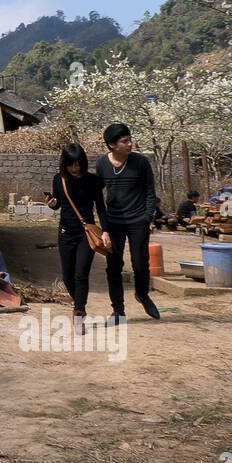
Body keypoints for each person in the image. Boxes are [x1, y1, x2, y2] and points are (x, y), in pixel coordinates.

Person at [94, 122, 161, 323]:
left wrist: (147, 217)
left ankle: (142, 294)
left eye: (130, 139)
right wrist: (103, 226)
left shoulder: (140, 162)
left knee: (140, 264)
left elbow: (150, 192)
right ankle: (118, 311)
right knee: (114, 266)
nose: (130, 144)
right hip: (114, 222)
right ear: (112, 145)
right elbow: (98, 196)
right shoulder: (102, 164)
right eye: (125, 141)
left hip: (138, 220)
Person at [45, 143, 109, 335]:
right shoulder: (59, 179)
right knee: (67, 277)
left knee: (81, 274)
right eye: (71, 164)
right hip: (65, 232)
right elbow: (58, 204)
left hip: (85, 234)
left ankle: (79, 311)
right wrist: (52, 204)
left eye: (78, 163)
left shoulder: (93, 181)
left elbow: (101, 208)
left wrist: (105, 230)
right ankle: (79, 302)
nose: (75, 168)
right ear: (64, 164)